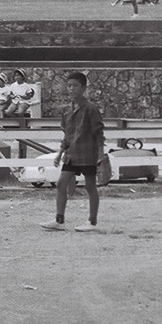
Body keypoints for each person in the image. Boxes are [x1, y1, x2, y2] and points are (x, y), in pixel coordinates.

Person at [42, 71, 106, 232]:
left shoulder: (91, 109)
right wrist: (59, 153)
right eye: (69, 85)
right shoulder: (66, 110)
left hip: (88, 154)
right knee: (61, 184)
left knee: (90, 187)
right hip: (71, 154)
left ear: (84, 88)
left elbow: (99, 134)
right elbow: (67, 135)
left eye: (75, 86)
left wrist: (101, 155)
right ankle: (59, 220)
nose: (71, 89)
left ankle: (92, 222)